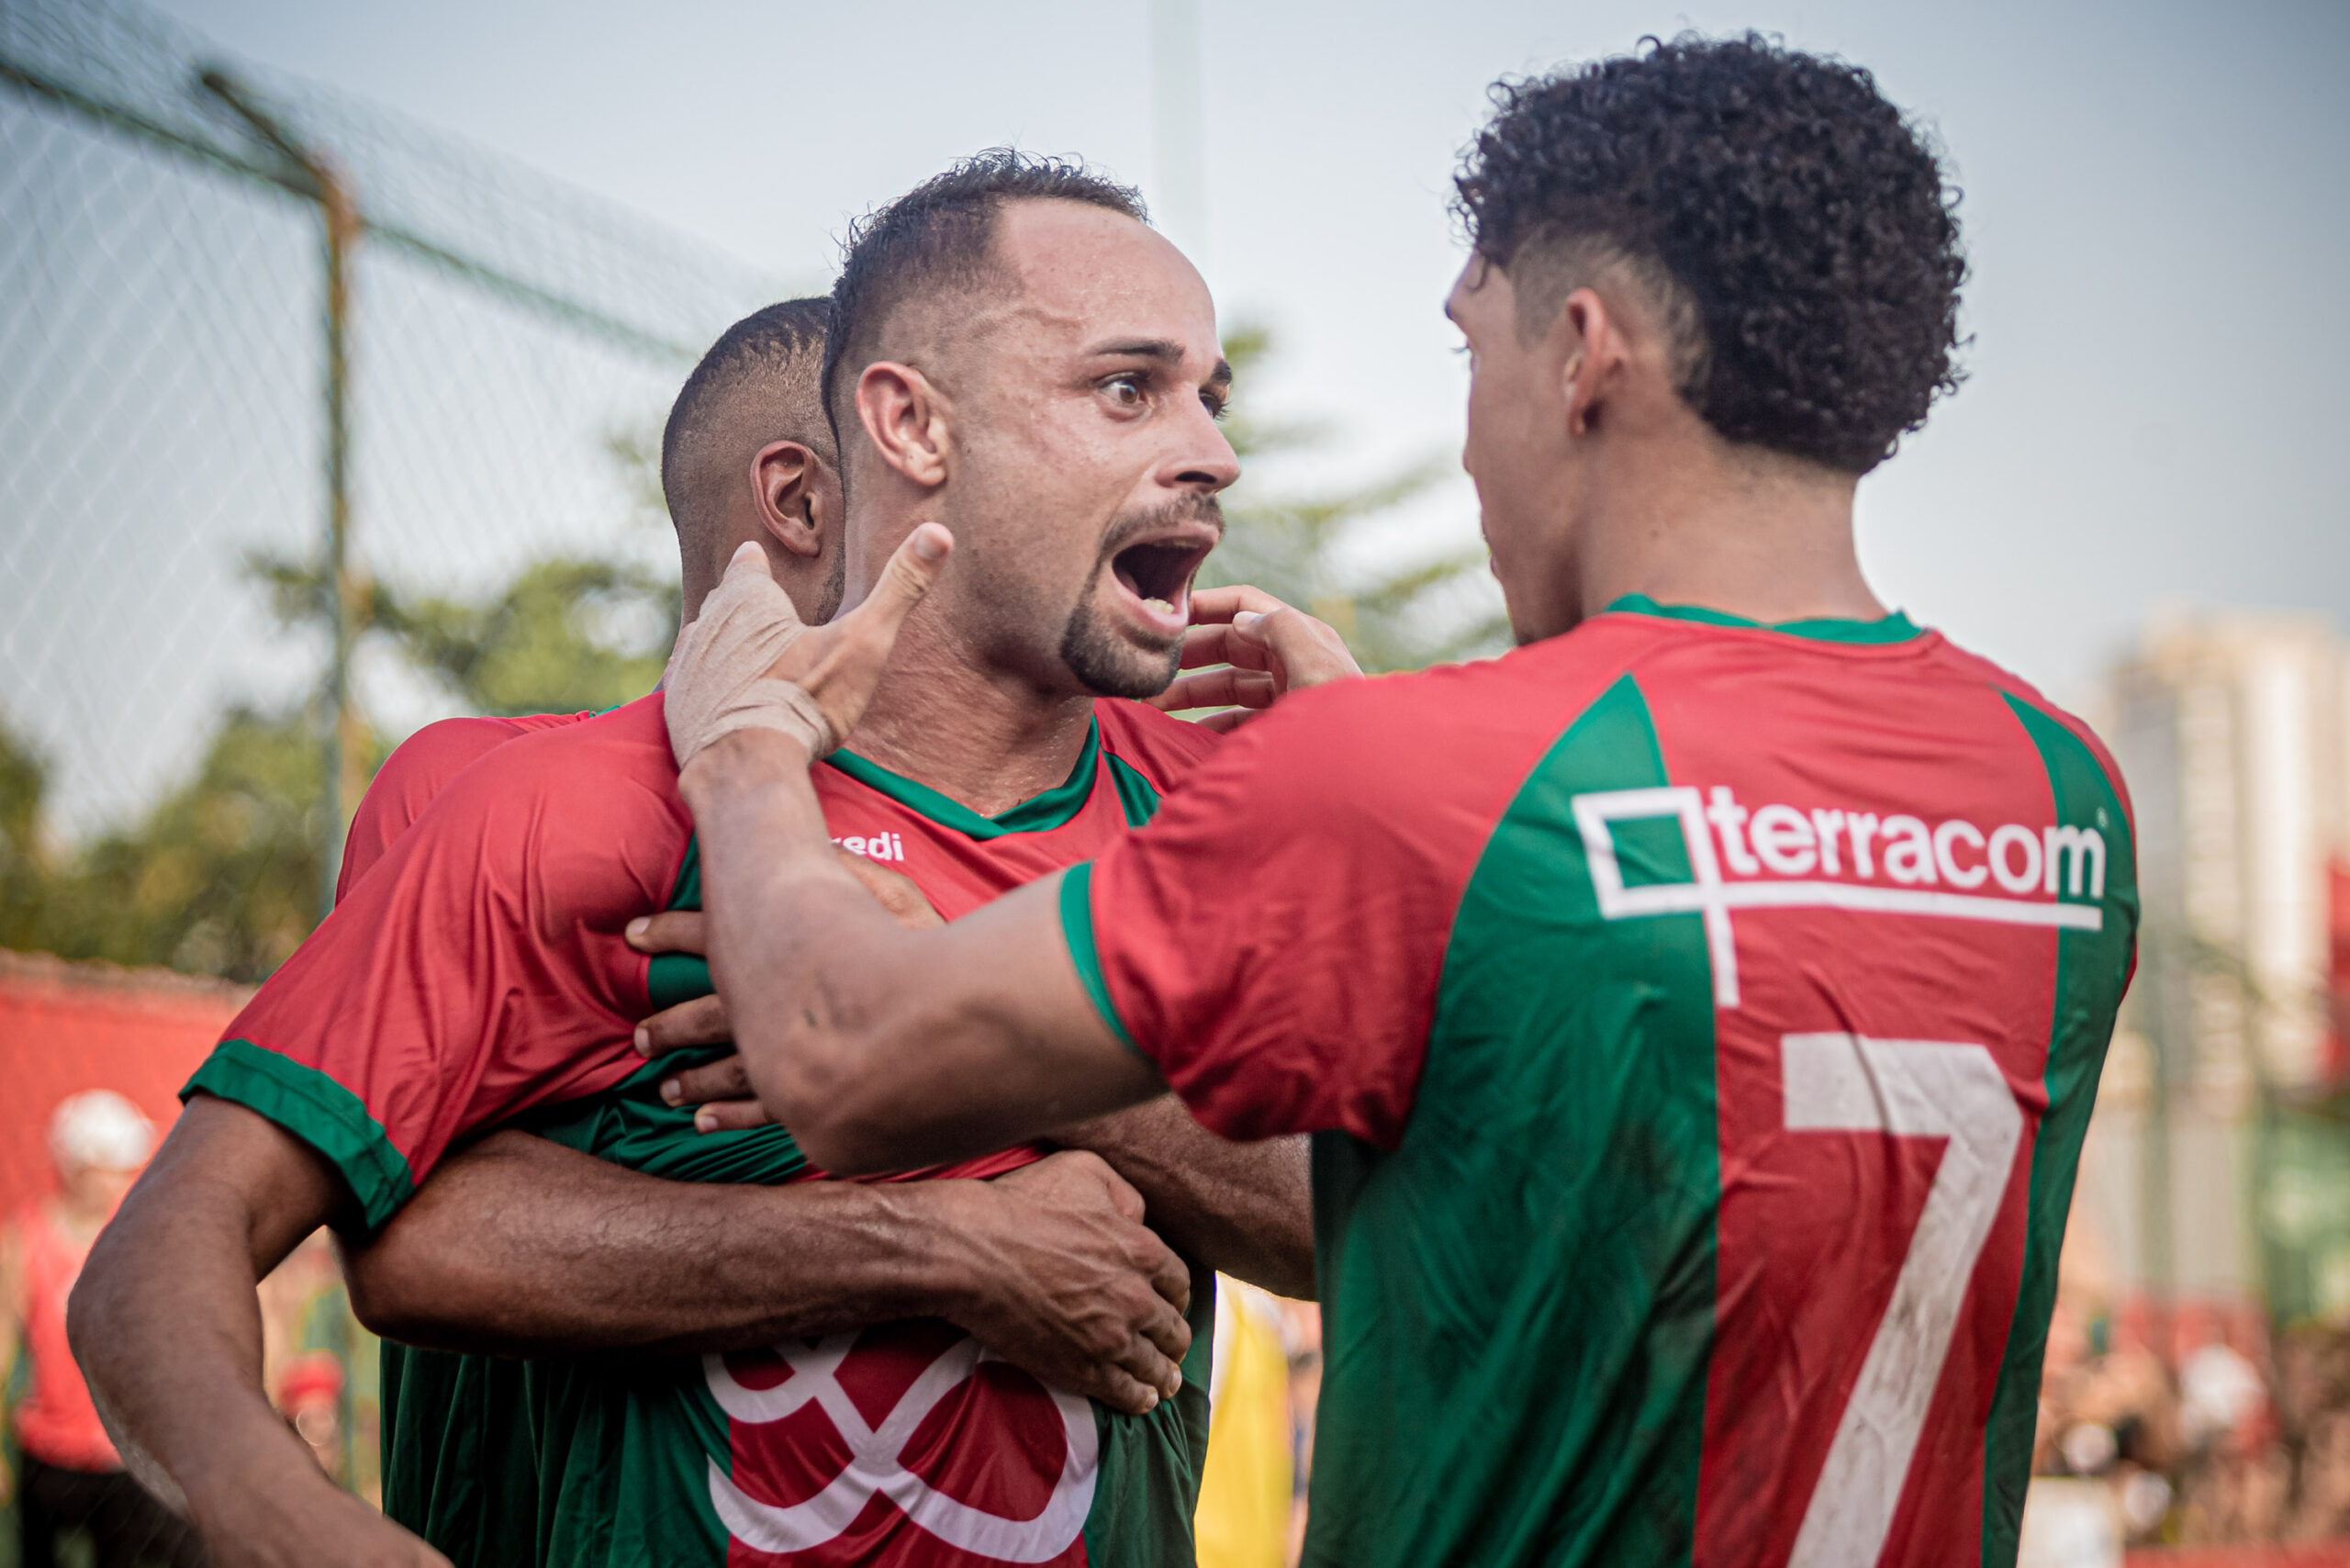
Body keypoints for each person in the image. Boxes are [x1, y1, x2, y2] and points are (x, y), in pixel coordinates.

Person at [660, 36, 2143, 1568]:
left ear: (1585, 355)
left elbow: (835, 1051)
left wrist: (749, 751)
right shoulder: (2060, 793)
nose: (1467, 426)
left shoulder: (1432, 779)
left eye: (1472, 352)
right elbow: (1567, 1143)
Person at [74, 196, 1337, 1568]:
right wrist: (294, 1527)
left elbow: (1372, 1233)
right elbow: (271, 1246)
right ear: (903, 432)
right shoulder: (566, 806)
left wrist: (964, 1013)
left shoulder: (1227, 809)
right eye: (1126, 391)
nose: (1212, 455)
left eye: (1207, 400)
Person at [1, 1092, 202, 1568]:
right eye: (114, 1166)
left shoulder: (139, 1237)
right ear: (78, 1167)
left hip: (123, 1454)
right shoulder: (24, 1243)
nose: (126, 1179)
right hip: (49, 1454)